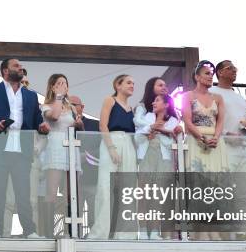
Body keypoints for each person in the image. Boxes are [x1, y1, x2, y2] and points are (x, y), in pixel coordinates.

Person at [0, 58, 50, 238]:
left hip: (22, 148)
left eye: (21, 66)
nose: (21, 68)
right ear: (5, 71)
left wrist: (42, 127)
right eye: (16, 66)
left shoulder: (31, 95)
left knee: (24, 193)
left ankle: (30, 231)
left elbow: (37, 120)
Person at [86, 74, 137, 239]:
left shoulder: (132, 108)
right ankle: (101, 231)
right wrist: (111, 148)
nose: (132, 85)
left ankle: (124, 233)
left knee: (127, 188)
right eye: (128, 82)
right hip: (111, 140)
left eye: (133, 83)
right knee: (105, 186)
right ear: (118, 85)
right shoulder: (110, 100)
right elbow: (103, 125)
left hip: (128, 143)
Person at [181, 61, 227, 240]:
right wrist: (201, 138)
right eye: (207, 73)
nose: (210, 76)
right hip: (196, 141)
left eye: (212, 74)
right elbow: (187, 120)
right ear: (197, 76)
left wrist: (215, 137)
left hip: (215, 143)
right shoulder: (187, 96)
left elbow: (221, 120)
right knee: (198, 186)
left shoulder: (218, 98)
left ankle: (213, 229)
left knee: (215, 186)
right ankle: (199, 231)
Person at [209, 60, 246, 240]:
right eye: (230, 68)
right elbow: (208, 122)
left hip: (243, 148)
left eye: (235, 68)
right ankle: (223, 231)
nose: (235, 70)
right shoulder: (212, 93)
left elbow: (241, 121)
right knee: (224, 191)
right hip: (224, 147)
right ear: (219, 72)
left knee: (242, 193)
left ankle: (240, 230)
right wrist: (227, 134)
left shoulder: (239, 97)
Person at [40, 74, 83, 237]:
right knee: (51, 190)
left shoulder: (71, 107)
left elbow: (79, 127)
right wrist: (58, 96)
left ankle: (70, 231)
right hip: (56, 145)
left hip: (71, 146)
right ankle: (48, 232)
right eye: (59, 83)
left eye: (65, 83)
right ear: (52, 87)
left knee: (70, 191)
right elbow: (55, 116)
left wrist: (78, 123)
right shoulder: (46, 105)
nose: (63, 86)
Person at [135, 93, 180, 240]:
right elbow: (137, 137)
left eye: (157, 100)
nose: (153, 103)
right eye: (153, 100)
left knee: (157, 198)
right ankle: (142, 231)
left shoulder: (174, 120)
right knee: (143, 196)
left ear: (166, 105)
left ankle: (154, 231)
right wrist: (151, 129)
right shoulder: (147, 117)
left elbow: (172, 143)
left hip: (163, 160)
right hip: (147, 157)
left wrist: (158, 131)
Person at [69, 94, 99, 235]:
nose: (72, 107)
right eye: (69, 104)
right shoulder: (65, 124)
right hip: (72, 180)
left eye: (75, 104)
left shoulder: (95, 124)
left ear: (82, 107)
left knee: (94, 214)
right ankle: (76, 238)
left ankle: (94, 240)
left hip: (92, 177)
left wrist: (84, 157)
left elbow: (100, 148)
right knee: (74, 215)